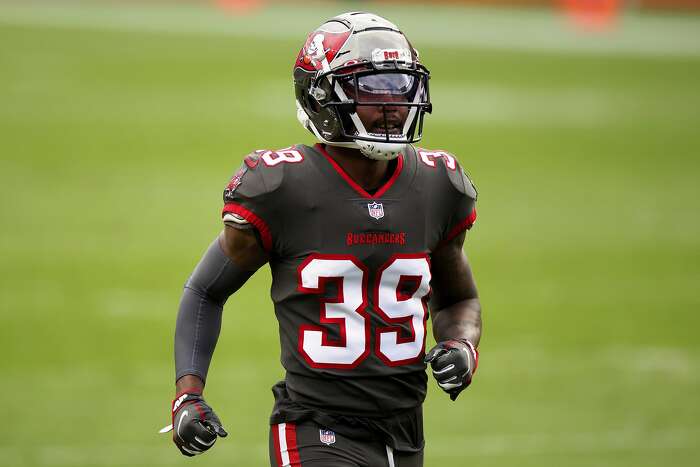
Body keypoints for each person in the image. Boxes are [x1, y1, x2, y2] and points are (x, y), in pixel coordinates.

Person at [166, 11, 482, 467]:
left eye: (400, 85)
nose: (393, 102)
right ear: (321, 97)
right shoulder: (281, 187)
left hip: (406, 431)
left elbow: (458, 299)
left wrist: (462, 346)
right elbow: (205, 290)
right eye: (372, 87)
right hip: (315, 428)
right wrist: (188, 395)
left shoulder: (438, 185)